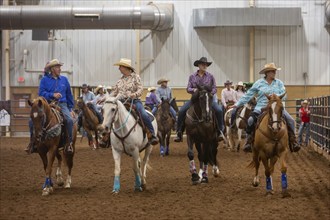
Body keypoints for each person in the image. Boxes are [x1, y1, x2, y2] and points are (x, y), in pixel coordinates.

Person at [232, 62, 300, 153]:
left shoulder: (279, 83)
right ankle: (249, 141)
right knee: (250, 120)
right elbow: (248, 95)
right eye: (273, 71)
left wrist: (276, 96)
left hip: (276, 108)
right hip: (261, 107)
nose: (274, 73)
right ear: (267, 72)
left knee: (291, 120)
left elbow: (285, 95)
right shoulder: (258, 83)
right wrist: (237, 104)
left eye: (275, 71)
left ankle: (293, 141)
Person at [25, 59, 75, 154]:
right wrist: (53, 95)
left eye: (59, 67)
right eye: (57, 67)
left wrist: (70, 108)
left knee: (69, 120)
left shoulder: (64, 79)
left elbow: (69, 94)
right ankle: (32, 143)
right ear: (52, 69)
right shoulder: (44, 80)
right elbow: (41, 93)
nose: (59, 69)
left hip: (62, 104)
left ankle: (69, 143)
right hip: (47, 104)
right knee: (32, 121)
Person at [174, 57, 224, 142]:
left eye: (206, 65)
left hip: (207, 100)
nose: (205, 66)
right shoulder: (192, 76)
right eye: (203, 64)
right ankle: (179, 132)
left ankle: (220, 131)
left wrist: (211, 93)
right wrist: (194, 90)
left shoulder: (210, 76)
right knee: (182, 111)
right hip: (195, 100)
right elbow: (188, 88)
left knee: (219, 110)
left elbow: (214, 88)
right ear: (199, 65)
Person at [110, 58, 159, 145]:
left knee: (143, 114)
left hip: (135, 101)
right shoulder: (119, 80)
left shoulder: (136, 77)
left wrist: (134, 94)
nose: (119, 68)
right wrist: (107, 98)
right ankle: (106, 136)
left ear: (126, 67)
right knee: (110, 113)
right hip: (121, 101)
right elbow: (114, 92)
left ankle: (152, 134)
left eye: (120, 66)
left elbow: (140, 90)